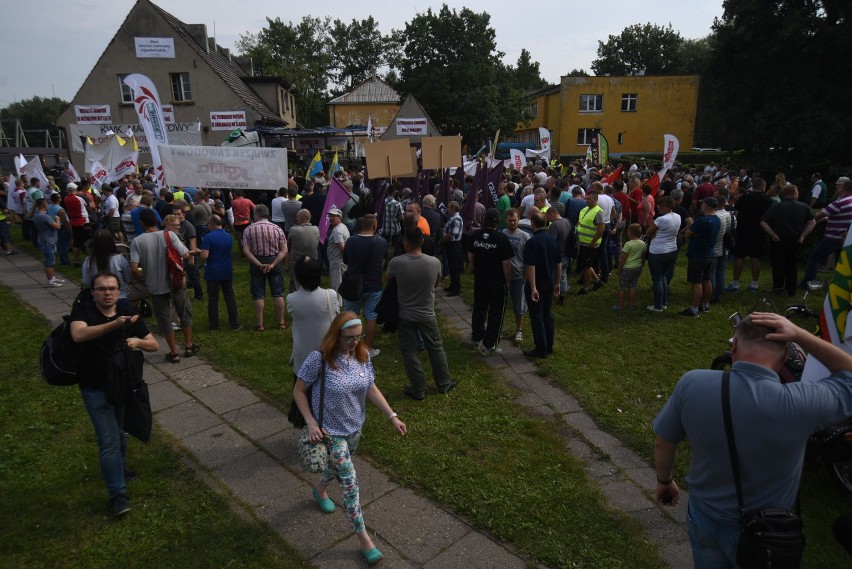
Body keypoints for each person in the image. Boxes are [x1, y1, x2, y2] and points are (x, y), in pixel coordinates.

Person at [653, 312, 852, 568]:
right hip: (765, 529)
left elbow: (664, 442)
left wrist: (664, 481)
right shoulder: (802, 403)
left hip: (704, 516)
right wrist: (801, 335)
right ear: (783, 360)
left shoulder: (692, 383)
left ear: (733, 346)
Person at [293, 311, 406, 565]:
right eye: (349, 338)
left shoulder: (362, 355)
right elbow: (299, 390)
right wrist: (311, 422)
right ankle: (365, 539)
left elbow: (371, 388)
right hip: (330, 431)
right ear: (336, 335)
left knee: (337, 469)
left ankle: (320, 489)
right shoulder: (319, 359)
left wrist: (392, 416)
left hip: (355, 426)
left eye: (359, 337)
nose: (355, 342)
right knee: (349, 483)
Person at [70, 271, 159, 517]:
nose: (107, 293)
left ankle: (120, 469)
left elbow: (154, 344)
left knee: (121, 433)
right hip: (94, 387)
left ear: (119, 291)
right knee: (108, 440)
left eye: (111, 288)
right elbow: (78, 334)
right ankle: (117, 495)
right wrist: (115, 325)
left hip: (121, 384)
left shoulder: (128, 314)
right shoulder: (84, 312)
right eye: (101, 289)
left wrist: (138, 342)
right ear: (92, 292)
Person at [387, 227, 457, 400]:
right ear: (423, 241)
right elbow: (436, 283)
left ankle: (418, 388)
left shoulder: (396, 262)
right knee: (436, 347)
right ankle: (443, 382)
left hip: (405, 314)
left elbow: (387, 280)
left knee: (409, 351)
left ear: (405, 243)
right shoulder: (434, 263)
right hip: (427, 312)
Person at [130, 208, 199, 363]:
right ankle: (188, 345)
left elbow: (134, 268)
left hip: (155, 285)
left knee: (164, 318)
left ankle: (173, 352)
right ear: (157, 220)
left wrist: (142, 277)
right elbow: (186, 254)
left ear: (141, 223)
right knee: (184, 312)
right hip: (175, 281)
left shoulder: (137, 241)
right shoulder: (169, 235)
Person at [341, 214, 387, 358]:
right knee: (371, 317)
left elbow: (346, 260)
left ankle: (349, 348)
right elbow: (383, 262)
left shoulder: (351, 241)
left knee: (350, 316)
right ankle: (368, 348)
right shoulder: (381, 242)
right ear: (374, 226)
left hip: (353, 284)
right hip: (373, 284)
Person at [469, 208, 512, 356]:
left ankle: (477, 337)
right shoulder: (501, 238)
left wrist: (474, 269)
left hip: (480, 278)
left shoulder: (476, 235)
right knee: (496, 312)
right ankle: (489, 344)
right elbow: (506, 263)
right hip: (497, 281)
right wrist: (508, 280)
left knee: (479, 308)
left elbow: (471, 255)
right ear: (497, 221)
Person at [287, 256, 339, 376]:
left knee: (301, 391)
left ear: (298, 276)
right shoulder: (330, 295)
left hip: (302, 358)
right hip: (326, 355)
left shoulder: (291, 299)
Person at [760, 185, 815, 296]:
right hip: (795, 239)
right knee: (792, 265)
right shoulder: (804, 207)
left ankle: (778, 288)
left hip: (778, 239)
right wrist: (803, 235)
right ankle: (791, 290)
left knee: (778, 265)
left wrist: (772, 234)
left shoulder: (777, 207)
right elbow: (812, 222)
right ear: (795, 194)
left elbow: (763, 222)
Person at [242, 204, 288, 331]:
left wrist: (259, 264)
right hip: (275, 260)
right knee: (278, 292)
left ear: (256, 214)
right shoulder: (277, 229)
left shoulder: (248, 230)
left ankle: (260, 324)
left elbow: (246, 251)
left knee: (258, 294)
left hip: (257, 261)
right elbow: (284, 250)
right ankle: (281, 322)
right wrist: (273, 264)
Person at [522, 212, 561, 358]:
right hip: (549, 281)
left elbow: (530, 266)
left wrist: (532, 288)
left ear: (532, 223)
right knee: (547, 314)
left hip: (537, 283)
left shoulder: (532, 242)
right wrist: (557, 282)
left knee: (537, 316)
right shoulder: (552, 240)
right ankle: (549, 345)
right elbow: (559, 263)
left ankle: (540, 348)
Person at [800, 178, 852, 286]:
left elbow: (817, 215)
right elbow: (844, 217)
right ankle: (839, 285)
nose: (836, 187)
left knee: (815, 257)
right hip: (845, 239)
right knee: (840, 264)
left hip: (833, 238)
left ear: (842, 188)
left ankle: (807, 283)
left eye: (838, 186)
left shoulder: (838, 203)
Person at [726, 178, 773, 293]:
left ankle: (735, 283)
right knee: (755, 258)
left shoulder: (743, 198)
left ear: (752, 186)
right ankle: (754, 284)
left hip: (743, 231)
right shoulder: (768, 201)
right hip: (758, 232)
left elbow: (736, 214)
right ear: (763, 187)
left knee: (739, 257)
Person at [679, 198, 721, 317]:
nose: (701, 205)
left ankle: (694, 309)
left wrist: (694, 234)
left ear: (707, 206)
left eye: (703, 204)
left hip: (697, 254)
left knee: (696, 283)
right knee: (707, 280)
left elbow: (687, 234)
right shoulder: (717, 219)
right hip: (710, 253)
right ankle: (705, 305)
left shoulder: (701, 221)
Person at [200, 215, 241, 331]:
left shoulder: (208, 237)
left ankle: (213, 325)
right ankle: (234, 323)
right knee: (229, 297)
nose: (207, 227)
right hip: (226, 270)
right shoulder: (228, 236)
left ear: (212, 224)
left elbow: (204, 256)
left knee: (213, 299)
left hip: (213, 271)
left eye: (208, 224)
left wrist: (200, 252)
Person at [82, 229, 133, 311]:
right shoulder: (119, 259)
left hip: (98, 300)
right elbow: (129, 278)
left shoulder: (89, 261)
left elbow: (87, 282)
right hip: (120, 297)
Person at [646, 196, 680, 312]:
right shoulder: (677, 217)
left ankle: (657, 305)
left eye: (660, 206)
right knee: (663, 277)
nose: (658, 208)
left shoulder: (661, 219)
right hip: (671, 249)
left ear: (666, 206)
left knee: (657, 279)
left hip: (658, 251)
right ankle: (663, 302)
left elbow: (649, 233)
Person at [503, 208, 530, 344]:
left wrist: (525, 276)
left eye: (515, 220)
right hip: (503, 275)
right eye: (510, 220)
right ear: (506, 220)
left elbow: (528, 259)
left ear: (518, 219)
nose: (512, 223)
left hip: (518, 276)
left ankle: (519, 329)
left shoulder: (525, 236)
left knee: (519, 305)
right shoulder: (503, 234)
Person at [575, 192, 606, 295]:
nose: (587, 200)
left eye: (589, 199)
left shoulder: (598, 212)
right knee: (587, 265)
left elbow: (601, 229)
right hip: (583, 242)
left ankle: (585, 288)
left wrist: (593, 242)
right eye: (586, 199)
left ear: (595, 200)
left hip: (590, 244)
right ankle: (597, 282)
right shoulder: (585, 209)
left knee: (587, 266)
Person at [613, 223, 646, 311]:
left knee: (622, 287)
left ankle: (620, 305)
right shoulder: (643, 244)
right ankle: (631, 305)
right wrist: (641, 265)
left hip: (627, 268)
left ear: (630, 233)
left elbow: (623, 258)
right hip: (637, 267)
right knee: (632, 286)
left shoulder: (628, 244)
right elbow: (643, 256)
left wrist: (619, 269)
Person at [33, 198, 65, 287]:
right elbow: (57, 226)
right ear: (44, 205)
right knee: (49, 262)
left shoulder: (37, 215)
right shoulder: (44, 216)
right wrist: (57, 219)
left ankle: (52, 277)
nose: (48, 206)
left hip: (45, 239)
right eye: (47, 204)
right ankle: (50, 280)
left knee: (51, 260)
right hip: (48, 241)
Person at [287, 209, 320, 292]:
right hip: (312, 262)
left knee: (295, 284)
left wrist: (287, 264)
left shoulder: (293, 230)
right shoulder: (316, 229)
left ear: (301, 218)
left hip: (297, 262)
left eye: (297, 217)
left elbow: (288, 246)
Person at [440, 201, 464, 296]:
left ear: (453, 208)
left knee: (454, 267)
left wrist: (441, 241)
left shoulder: (456, 219)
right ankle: (452, 285)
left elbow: (451, 234)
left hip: (454, 245)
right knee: (451, 266)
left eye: (449, 207)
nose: (447, 209)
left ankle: (456, 288)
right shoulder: (453, 218)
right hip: (451, 245)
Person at [326, 207, 350, 299]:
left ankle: (337, 307)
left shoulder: (337, 230)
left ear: (340, 217)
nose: (331, 218)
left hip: (337, 263)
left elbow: (342, 247)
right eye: (330, 216)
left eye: (333, 216)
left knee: (337, 287)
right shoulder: (343, 226)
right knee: (341, 285)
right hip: (340, 262)